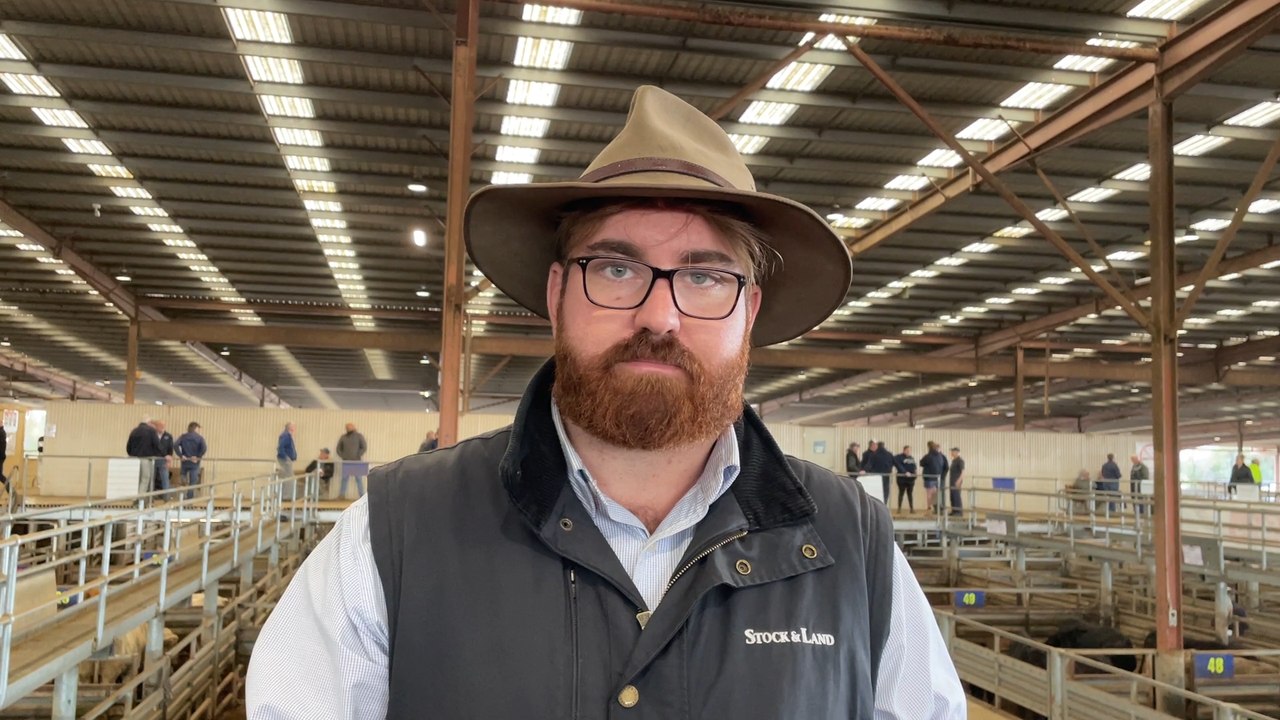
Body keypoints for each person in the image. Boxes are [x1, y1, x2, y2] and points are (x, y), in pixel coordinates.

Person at [246, 85, 964, 718]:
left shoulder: (854, 548)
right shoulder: (395, 534)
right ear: (558, 294)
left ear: (750, 312)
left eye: (706, 277)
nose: (659, 316)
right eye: (617, 268)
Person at [125, 418, 161, 491]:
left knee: (137, 479)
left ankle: (135, 499)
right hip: (146, 458)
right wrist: (159, 454)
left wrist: (131, 454)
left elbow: (128, 446)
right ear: (148, 423)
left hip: (134, 458)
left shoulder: (134, 431)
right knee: (145, 478)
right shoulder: (151, 431)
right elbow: (157, 445)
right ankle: (140, 499)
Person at [176, 422, 208, 499]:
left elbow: (175, 445)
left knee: (183, 478)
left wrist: (181, 455)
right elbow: (204, 448)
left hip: (185, 461)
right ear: (196, 428)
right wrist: (198, 456)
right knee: (193, 482)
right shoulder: (199, 438)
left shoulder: (183, 437)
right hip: (194, 463)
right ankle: (189, 498)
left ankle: (181, 496)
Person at [919, 441, 948, 513]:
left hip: (929, 478)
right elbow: (945, 467)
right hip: (938, 478)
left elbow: (921, 463)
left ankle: (929, 508)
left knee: (929, 494)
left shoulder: (929, 456)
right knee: (935, 494)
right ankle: (936, 509)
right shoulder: (941, 456)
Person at [893, 445, 917, 513]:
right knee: (901, 493)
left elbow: (914, 466)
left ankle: (911, 508)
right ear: (904, 450)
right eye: (907, 450)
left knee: (910, 494)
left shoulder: (911, 458)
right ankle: (899, 508)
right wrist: (905, 472)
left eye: (909, 451)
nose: (908, 452)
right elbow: (898, 465)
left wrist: (915, 473)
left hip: (910, 480)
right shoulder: (899, 457)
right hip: (902, 479)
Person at [154, 420, 174, 494]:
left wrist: (169, 460)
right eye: (160, 426)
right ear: (156, 427)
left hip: (164, 460)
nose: (162, 427)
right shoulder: (153, 435)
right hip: (153, 459)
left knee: (165, 478)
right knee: (152, 478)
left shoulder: (168, 436)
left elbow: (170, 449)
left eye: (163, 426)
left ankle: (166, 496)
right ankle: (151, 497)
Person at [948, 447, 965, 516]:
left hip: (957, 481)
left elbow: (963, 472)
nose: (951, 452)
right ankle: (954, 510)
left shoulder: (960, 461)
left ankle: (959, 512)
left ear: (957, 452)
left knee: (956, 496)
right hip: (952, 480)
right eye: (951, 451)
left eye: (953, 451)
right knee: (952, 496)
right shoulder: (953, 461)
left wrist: (959, 480)